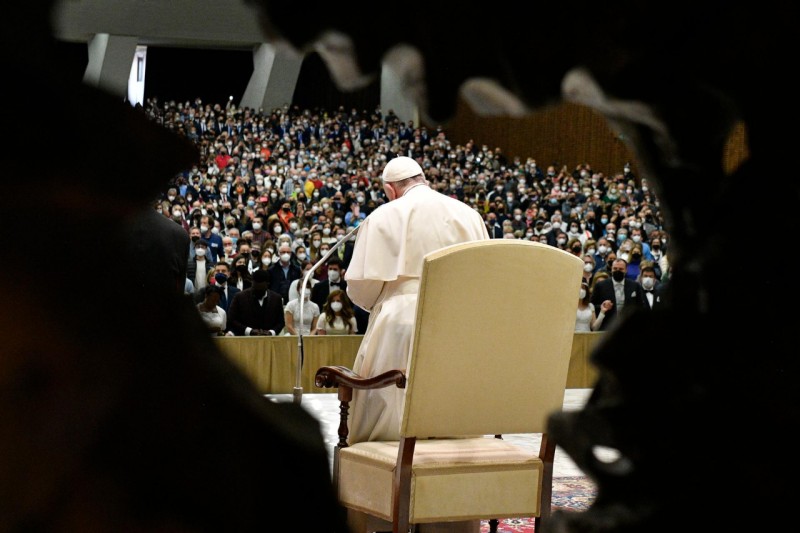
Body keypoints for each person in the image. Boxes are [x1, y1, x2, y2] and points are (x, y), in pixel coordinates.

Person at [345, 155, 489, 447]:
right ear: (423, 179)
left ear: (390, 189)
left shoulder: (383, 215)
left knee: (389, 413)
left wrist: (384, 301)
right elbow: (483, 275)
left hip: (398, 319)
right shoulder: (468, 213)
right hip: (455, 319)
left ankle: (387, 463)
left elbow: (361, 284)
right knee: (451, 408)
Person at [590, 258, 644, 331]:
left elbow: (640, 306)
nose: (617, 271)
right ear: (611, 269)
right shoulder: (601, 286)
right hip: (607, 327)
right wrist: (603, 306)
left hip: (629, 327)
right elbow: (592, 306)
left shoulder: (634, 286)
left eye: (621, 269)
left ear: (626, 270)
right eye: (615, 268)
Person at [226, 268, 285, 336]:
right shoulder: (239, 297)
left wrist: (271, 332)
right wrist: (249, 331)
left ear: (267, 284)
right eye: (255, 289)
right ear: (252, 283)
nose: (257, 292)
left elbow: (281, 322)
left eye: (261, 289)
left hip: (270, 341)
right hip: (244, 340)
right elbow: (232, 319)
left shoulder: (276, 298)